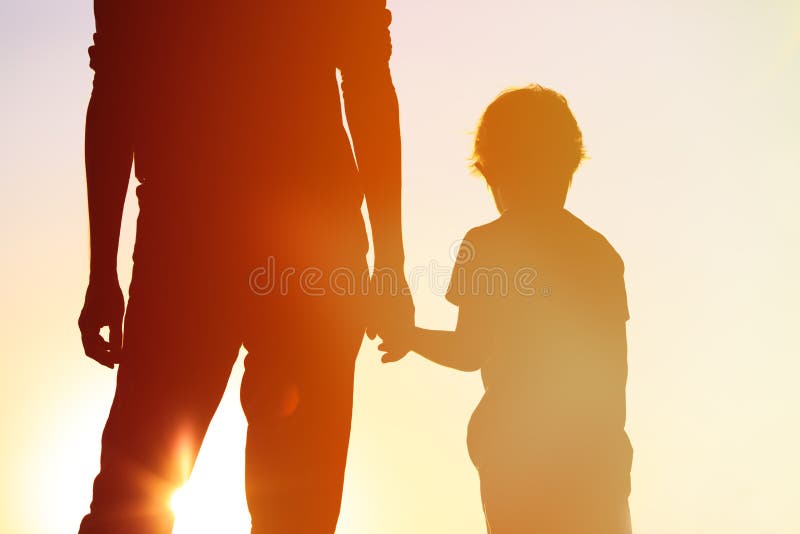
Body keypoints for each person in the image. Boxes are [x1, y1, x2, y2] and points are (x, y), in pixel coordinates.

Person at [76, 1, 413, 533]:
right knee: (292, 512)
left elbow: (115, 95)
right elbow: (369, 85)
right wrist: (390, 264)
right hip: (292, 252)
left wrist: (103, 274)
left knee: (133, 497)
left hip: (199, 250)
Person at [379, 85, 633, 533]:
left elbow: (468, 351)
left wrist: (411, 337)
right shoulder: (601, 253)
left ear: (491, 170)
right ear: (569, 166)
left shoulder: (486, 244)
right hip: (595, 461)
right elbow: (616, 369)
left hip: (516, 458)